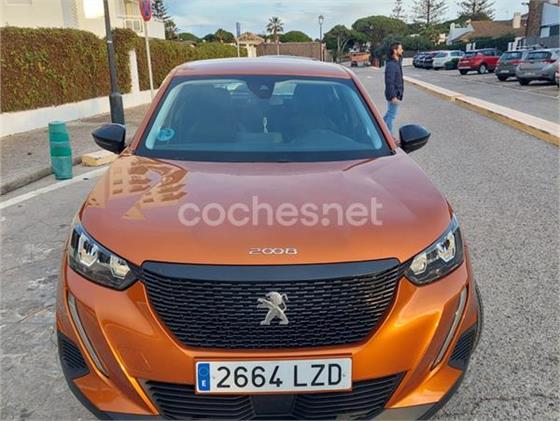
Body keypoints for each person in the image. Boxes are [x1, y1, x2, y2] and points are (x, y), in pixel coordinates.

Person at [383, 42, 404, 135]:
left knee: (389, 114)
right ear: (395, 51)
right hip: (394, 95)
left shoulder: (396, 63)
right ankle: (389, 136)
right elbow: (389, 82)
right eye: (400, 49)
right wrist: (393, 97)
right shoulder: (391, 65)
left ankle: (378, 129)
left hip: (397, 94)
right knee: (391, 116)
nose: (402, 50)